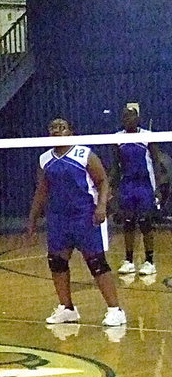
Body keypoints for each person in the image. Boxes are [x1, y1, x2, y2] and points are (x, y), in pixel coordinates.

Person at [27, 118, 126, 327]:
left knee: (97, 263)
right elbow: (42, 190)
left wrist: (101, 207)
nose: (56, 131)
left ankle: (115, 310)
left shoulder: (84, 154)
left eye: (61, 127)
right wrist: (33, 219)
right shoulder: (45, 159)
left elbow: (103, 181)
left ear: (71, 132)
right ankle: (67, 308)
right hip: (58, 219)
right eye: (52, 127)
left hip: (85, 216)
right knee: (57, 262)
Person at [113, 105, 163, 275]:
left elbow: (156, 162)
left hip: (144, 184)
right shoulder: (117, 138)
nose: (128, 119)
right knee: (128, 223)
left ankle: (149, 261)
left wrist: (157, 187)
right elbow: (116, 165)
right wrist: (112, 189)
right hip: (127, 185)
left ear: (138, 118)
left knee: (145, 221)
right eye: (125, 117)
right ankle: (128, 260)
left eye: (131, 116)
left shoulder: (147, 136)